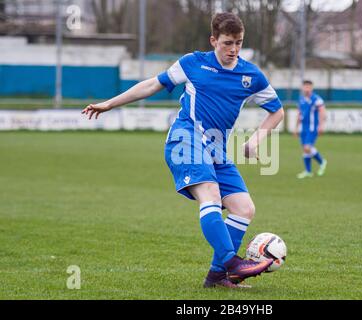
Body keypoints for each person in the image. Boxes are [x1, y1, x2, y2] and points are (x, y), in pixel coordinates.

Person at [81, 12, 284, 288]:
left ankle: (217, 276)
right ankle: (232, 262)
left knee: (243, 208)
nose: (233, 49)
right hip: (184, 140)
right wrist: (108, 104)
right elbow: (152, 84)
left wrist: (255, 141)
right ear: (213, 40)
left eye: (238, 42)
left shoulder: (250, 75)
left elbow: (277, 111)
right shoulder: (193, 63)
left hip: (217, 150)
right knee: (210, 194)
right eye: (227, 43)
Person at [294, 80, 327, 179]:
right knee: (305, 149)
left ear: (312, 88)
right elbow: (299, 114)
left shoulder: (317, 99)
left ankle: (322, 162)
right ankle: (308, 171)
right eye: (305, 87)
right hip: (304, 128)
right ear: (302, 88)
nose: (307, 89)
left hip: (312, 128)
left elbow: (322, 112)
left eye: (309, 87)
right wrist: (296, 128)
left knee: (307, 148)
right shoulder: (301, 99)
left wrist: (321, 125)